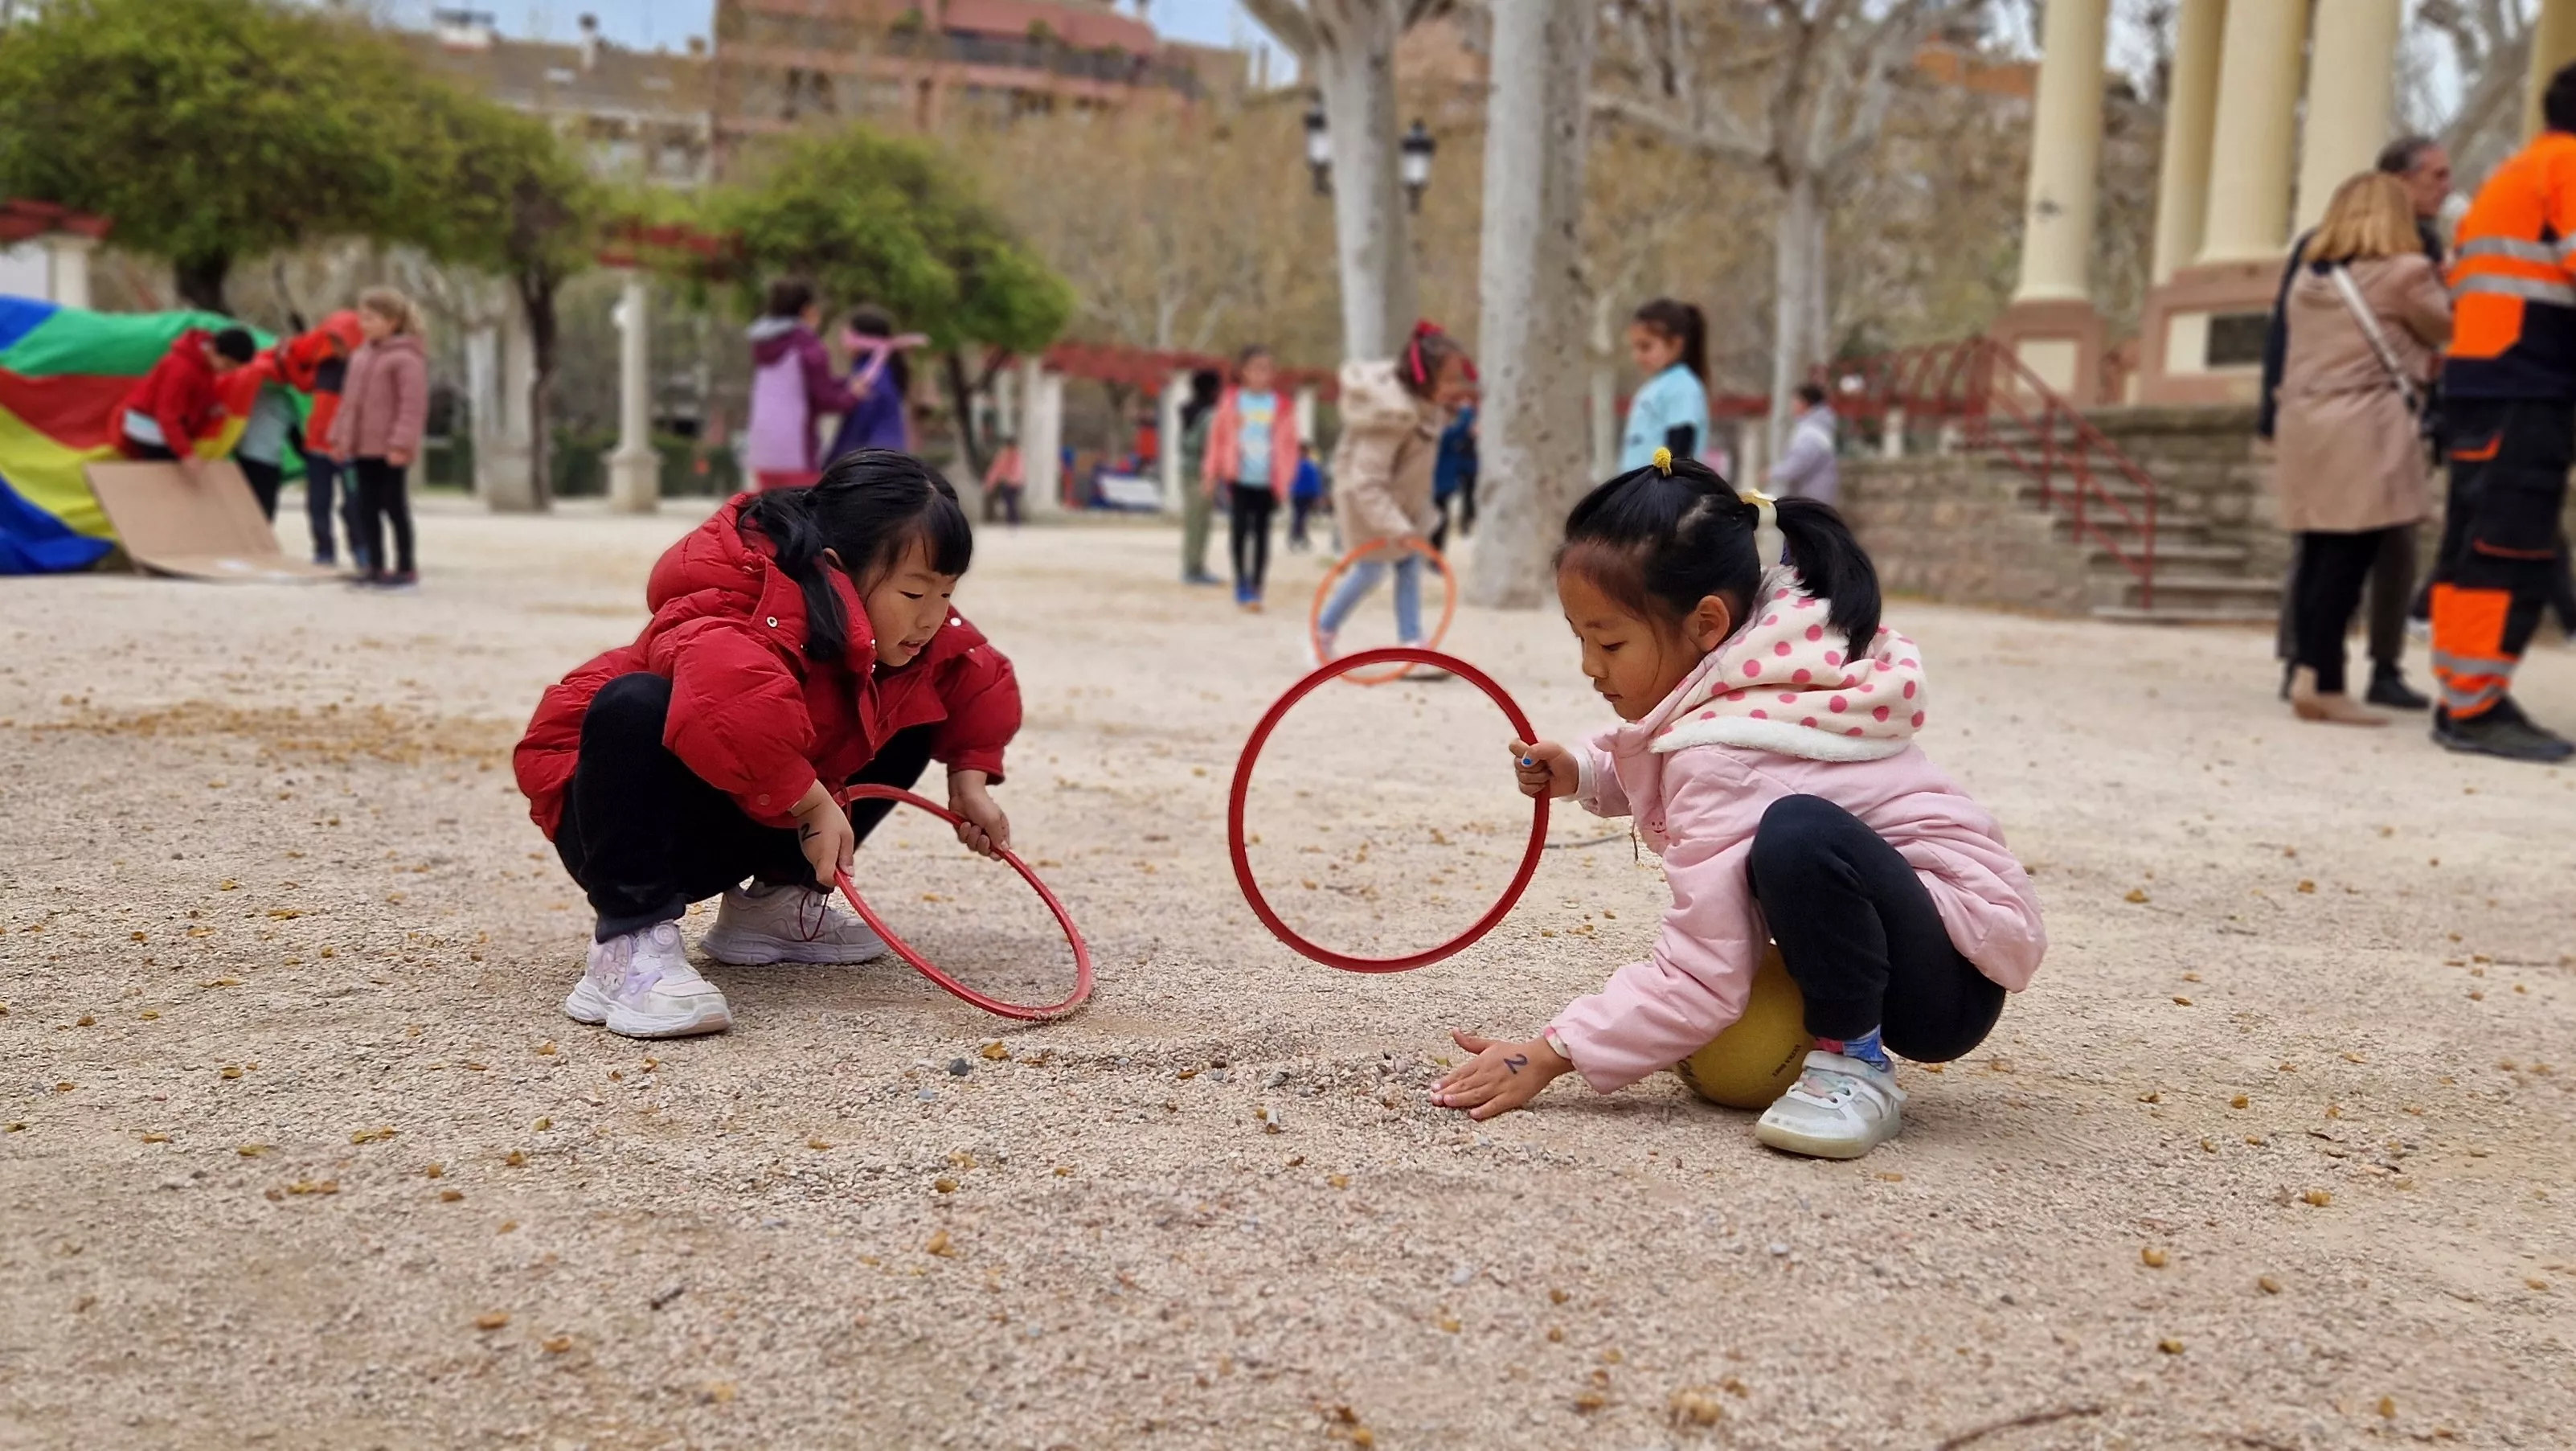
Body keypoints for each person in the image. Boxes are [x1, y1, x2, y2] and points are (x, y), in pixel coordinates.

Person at [1428, 450, 2046, 1159]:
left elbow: (1703, 971)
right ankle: (1849, 1037)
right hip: (1928, 936)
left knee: (1796, 835)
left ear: (1707, 621)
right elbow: (1689, 750)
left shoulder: (1724, 753)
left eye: (1609, 641)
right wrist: (1587, 770)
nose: (1589, 666)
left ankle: (1853, 1068)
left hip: (1946, 976)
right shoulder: (1761, 662)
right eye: (1581, 637)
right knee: (1793, 832)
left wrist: (1548, 1052)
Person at [512, 451, 1022, 1039]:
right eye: (913, 594)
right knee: (636, 704)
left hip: (753, 806)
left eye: (945, 594)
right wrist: (810, 801)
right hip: (626, 820)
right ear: (838, 567)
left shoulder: (892, 624)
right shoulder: (741, 597)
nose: (932, 618)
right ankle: (627, 943)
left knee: (910, 703)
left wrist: (968, 778)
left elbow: (973, 670)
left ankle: (774, 907)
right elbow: (729, 709)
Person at [2262, 135, 2453, 710]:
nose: (2446, 189)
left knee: (2323, 549)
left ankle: (2309, 668)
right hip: (2370, 425)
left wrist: (2272, 410)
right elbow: (2448, 328)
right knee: (2352, 555)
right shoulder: (2410, 269)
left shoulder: (2311, 274)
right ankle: (2323, 677)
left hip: (2309, 418)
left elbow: (2283, 337)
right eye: (2437, 176)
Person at [2427, 63, 2576, 761]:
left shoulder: (2516, 172)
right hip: (2525, 381)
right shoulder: (2567, 167)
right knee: (2507, 544)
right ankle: (2475, 707)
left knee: (2473, 540)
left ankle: (2462, 695)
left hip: (2485, 378)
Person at [1315, 321, 1476, 671]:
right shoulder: (1391, 417)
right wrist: (1395, 526)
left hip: (1404, 505)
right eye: (1449, 380)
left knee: (1408, 565)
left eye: (1458, 379)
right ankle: (1321, 633)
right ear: (1423, 377)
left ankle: (1412, 643)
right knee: (1370, 571)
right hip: (1371, 507)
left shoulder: (1427, 408)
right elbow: (1366, 481)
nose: (1456, 388)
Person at [327, 289, 428, 590]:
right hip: (362, 447)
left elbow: (412, 406)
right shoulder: (360, 357)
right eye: (362, 317)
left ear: (392, 321)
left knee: (394, 506)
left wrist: (401, 444)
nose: (363, 324)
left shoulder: (406, 359)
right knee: (365, 506)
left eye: (371, 318)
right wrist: (339, 437)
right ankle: (374, 564)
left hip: (389, 449)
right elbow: (348, 403)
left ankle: (405, 567)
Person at [1202, 346, 1300, 611]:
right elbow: (1217, 439)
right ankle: (1241, 582)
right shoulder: (1231, 402)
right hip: (1239, 477)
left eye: (1267, 369)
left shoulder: (1282, 406)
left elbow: (1290, 446)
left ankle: (1257, 586)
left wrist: (1287, 479)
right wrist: (1211, 473)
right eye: (1255, 369)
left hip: (1268, 480)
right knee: (1239, 531)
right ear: (1243, 372)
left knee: (1262, 534)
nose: (1261, 374)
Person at [276, 312, 365, 568]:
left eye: (340, 341)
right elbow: (304, 384)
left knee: (354, 503)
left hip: (350, 448)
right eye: (332, 341)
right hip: (318, 445)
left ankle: (360, 548)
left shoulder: (363, 370)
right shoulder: (324, 363)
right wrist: (288, 359)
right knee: (318, 503)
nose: (335, 347)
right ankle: (324, 550)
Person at [742, 280, 848, 491]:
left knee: (769, 505)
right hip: (796, 447)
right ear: (807, 310)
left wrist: (843, 383)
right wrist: (853, 394)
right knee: (801, 504)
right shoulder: (807, 345)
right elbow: (824, 398)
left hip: (763, 444)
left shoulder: (762, 344)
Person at [115, 325, 256, 479]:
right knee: (167, 474)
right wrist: (187, 455)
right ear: (213, 349)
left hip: (161, 424)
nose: (228, 371)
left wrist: (211, 405)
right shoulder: (181, 369)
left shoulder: (204, 363)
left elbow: (202, 389)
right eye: (228, 364)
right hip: (147, 425)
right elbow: (167, 415)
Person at [1617, 298, 1711, 472]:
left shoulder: (1683, 387)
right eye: (1634, 347)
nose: (1637, 356)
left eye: (1645, 347)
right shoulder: (1656, 387)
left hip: (1662, 487)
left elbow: (1680, 450)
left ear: (1676, 344)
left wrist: (1667, 483)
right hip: (1642, 486)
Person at [826, 305, 925, 463]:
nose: (843, 340)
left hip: (872, 460)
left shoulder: (871, 377)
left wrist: (833, 463)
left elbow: (856, 429)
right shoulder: (877, 371)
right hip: (884, 457)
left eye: (848, 333)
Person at [1177, 369, 1223, 585]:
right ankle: (1194, 568)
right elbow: (1211, 445)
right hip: (1202, 470)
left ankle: (1193, 565)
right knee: (1200, 522)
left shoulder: (1187, 410)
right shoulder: (1210, 415)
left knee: (1193, 520)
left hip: (1186, 468)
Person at [1769, 383, 1839, 504]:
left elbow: (1799, 463)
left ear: (1804, 403)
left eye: (1794, 401)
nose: (1791, 406)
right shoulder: (1817, 427)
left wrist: (1773, 473)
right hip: (1815, 496)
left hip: (1811, 497)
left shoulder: (1811, 431)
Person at [1431, 401, 1476, 550]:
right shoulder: (1444, 434)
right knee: (1439, 518)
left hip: (1439, 483)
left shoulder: (1438, 433)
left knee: (1438, 517)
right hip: (1440, 484)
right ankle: (1435, 552)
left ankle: (1433, 551)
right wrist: (1466, 409)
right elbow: (1462, 428)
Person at [1287, 442, 1325, 551]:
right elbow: (1314, 481)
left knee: (1301, 517)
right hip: (1301, 494)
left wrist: (1317, 494)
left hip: (1303, 494)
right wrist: (1317, 494)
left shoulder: (1306, 464)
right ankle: (1297, 537)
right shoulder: (1305, 465)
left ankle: (1299, 537)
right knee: (1300, 517)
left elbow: (1315, 481)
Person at [982, 436, 1025, 527]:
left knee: (1011, 502)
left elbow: (1018, 471)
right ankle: (1011, 520)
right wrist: (990, 483)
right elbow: (996, 469)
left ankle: (1014, 521)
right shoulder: (1003, 455)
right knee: (1009, 502)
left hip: (1015, 484)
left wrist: (1011, 479)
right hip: (1007, 484)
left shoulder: (1017, 455)